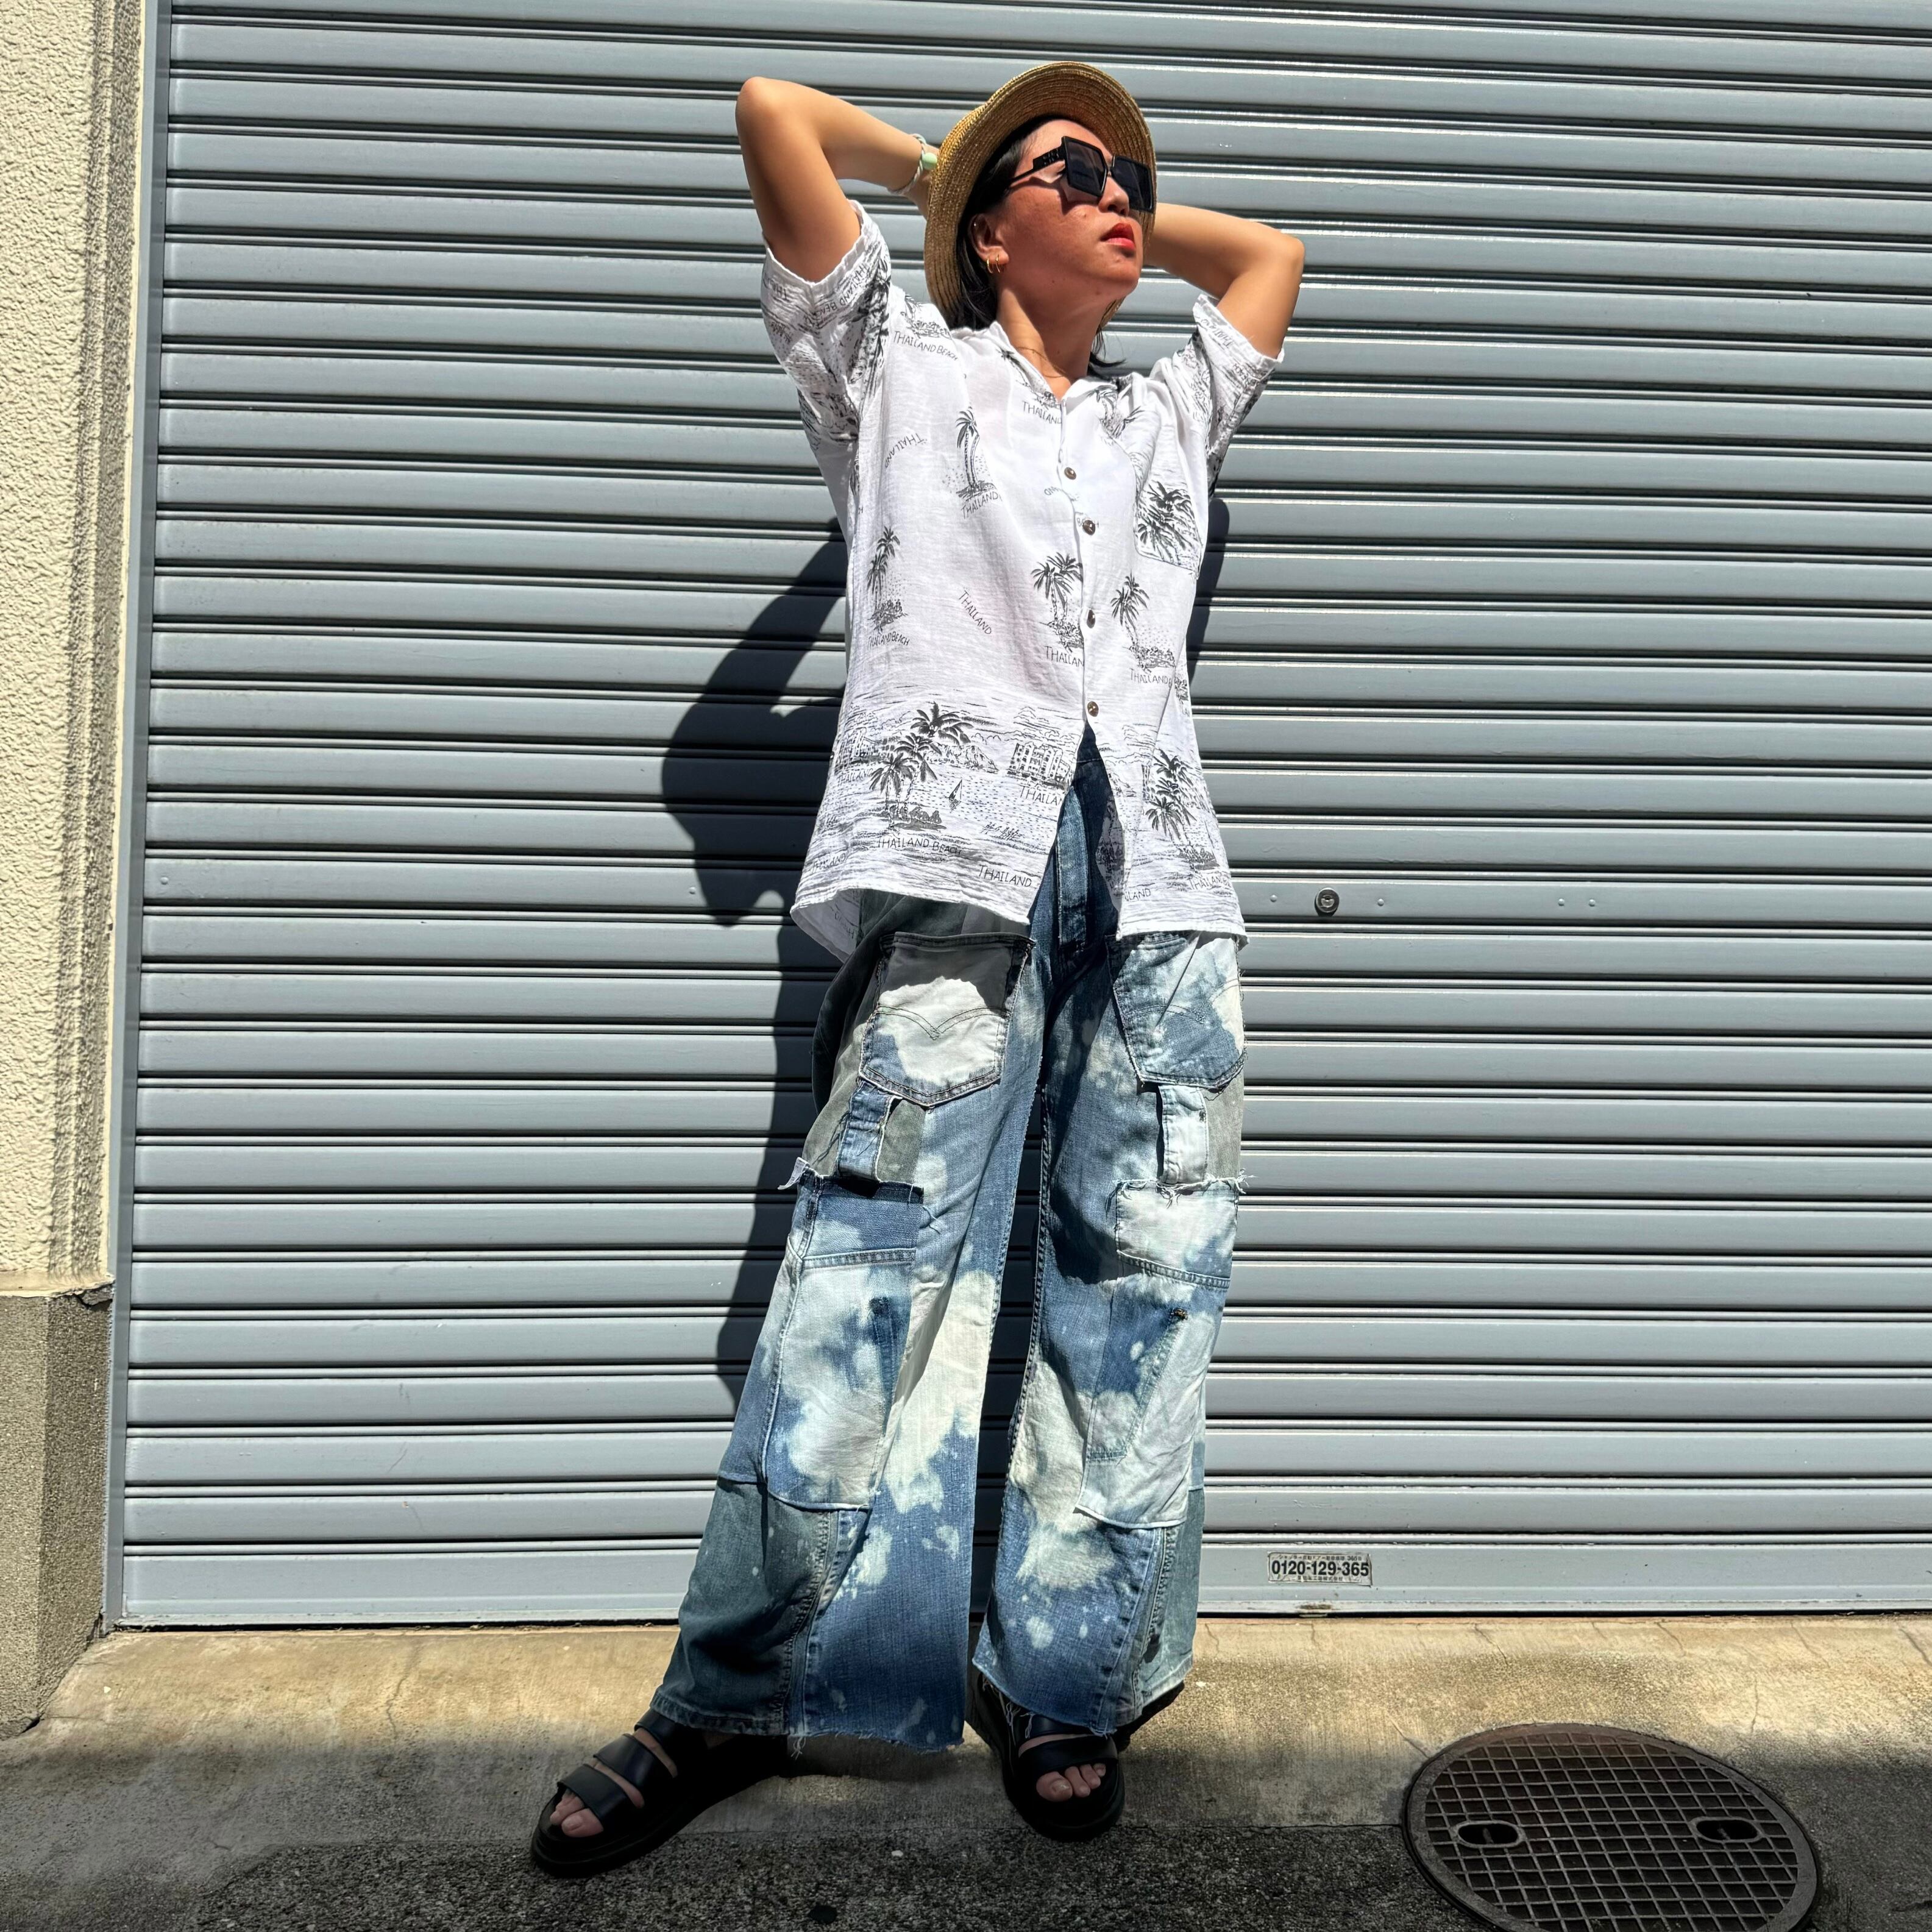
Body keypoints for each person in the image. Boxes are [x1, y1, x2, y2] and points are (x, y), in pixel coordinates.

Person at [531, 59, 1304, 1877]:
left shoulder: (1166, 410)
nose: (1119, 197)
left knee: (1143, 1278)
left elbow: (1267, 255)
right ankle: (733, 1691)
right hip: (958, 867)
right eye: (1074, 174)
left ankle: (1069, 1674)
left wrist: (1091, 192)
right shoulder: (893, 365)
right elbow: (770, 113)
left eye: (1129, 176)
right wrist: (953, 171)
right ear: (985, 227)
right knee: (863, 1269)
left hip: (1160, 884)